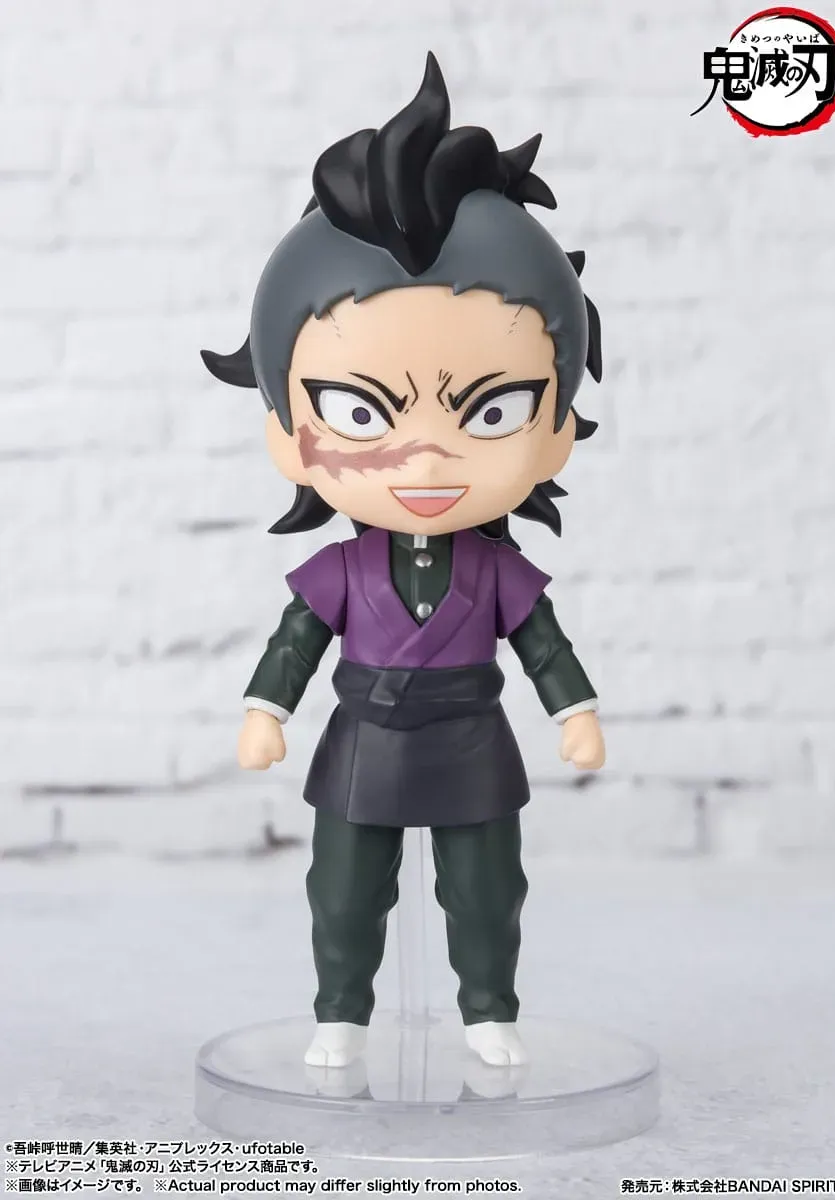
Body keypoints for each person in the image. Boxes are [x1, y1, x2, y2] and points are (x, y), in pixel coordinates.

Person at [202, 52, 606, 1070]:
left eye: (492, 411)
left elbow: (544, 645)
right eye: (358, 410)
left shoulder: (498, 573)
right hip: (365, 740)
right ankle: (341, 1009)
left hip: (471, 738)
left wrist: (575, 712)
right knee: (345, 886)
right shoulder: (338, 574)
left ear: (555, 431)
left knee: (485, 886)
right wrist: (264, 710)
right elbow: (294, 644)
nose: (425, 456)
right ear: (287, 433)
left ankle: (488, 1008)